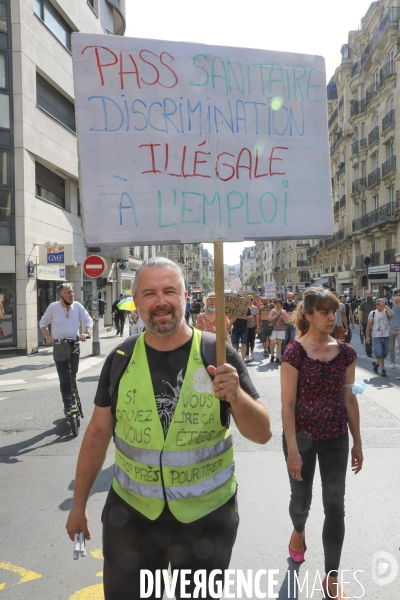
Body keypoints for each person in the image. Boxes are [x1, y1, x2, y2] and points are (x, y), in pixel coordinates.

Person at [66, 258, 272, 600]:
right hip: (131, 519)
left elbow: (262, 432)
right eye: (149, 293)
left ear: (184, 296)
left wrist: (236, 396)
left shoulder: (217, 352)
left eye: (169, 291)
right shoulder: (120, 357)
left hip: (206, 519)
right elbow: (98, 433)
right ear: (137, 303)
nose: (160, 301)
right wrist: (78, 505)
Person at [280, 287, 363, 600]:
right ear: (310, 315)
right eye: (325, 312)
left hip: (336, 439)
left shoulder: (345, 352)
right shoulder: (294, 352)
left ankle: (332, 576)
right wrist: (291, 450)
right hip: (300, 439)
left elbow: (350, 399)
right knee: (301, 502)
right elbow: (287, 405)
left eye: (334, 312)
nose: (332, 318)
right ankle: (299, 531)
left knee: (335, 506)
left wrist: (358, 442)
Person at [39, 283, 93, 415]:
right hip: (59, 346)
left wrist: (86, 333)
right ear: (60, 295)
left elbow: (88, 320)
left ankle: (73, 398)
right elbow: (43, 323)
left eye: (72, 292)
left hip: (74, 344)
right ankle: (68, 406)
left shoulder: (78, 306)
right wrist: (48, 337)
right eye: (68, 293)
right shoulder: (53, 307)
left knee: (72, 375)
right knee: (64, 378)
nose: (71, 295)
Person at [366, 298, 394, 377]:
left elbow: (392, 314)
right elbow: (368, 326)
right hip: (376, 337)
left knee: (384, 353)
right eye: (376, 304)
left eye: (378, 304)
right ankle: (383, 370)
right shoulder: (373, 313)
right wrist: (367, 337)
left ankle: (376, 363)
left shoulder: (386, 311)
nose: (377, 305)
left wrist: (385, 306)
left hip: (386, 336)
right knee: (379, 354)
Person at [231, 293, 252, 360]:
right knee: (234, 344)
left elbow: (251, 317)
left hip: (243, 328)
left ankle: (242, 359)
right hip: (234, 328)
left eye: (242, 299)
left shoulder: (247, 308)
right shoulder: (233, 308)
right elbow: (228, 316)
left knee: (244, 343)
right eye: (239, 299)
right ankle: (236, 358)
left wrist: (244, 316)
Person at [267, 299, 287, 365]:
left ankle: (277, 357)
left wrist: (284, 318)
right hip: (273, 329)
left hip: (281, 329)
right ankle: (272, 355)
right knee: (272, 342)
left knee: (279, 343)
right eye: (276, 303)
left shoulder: (284, 311)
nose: (277, 304)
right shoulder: (273, 311)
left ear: (281, 304)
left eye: (279, 303)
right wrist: (276, 315)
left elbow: (287, 321)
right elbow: (269, 319)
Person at [359, 291, 374, 356]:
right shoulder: (363, 304)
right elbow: (360, 313)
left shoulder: (375, 303)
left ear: (371, 294)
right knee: (367, 336)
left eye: (369, 294)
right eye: (367, 294)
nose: (368, 295)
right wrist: (360, 322)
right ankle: (369, 351)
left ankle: (369, 348)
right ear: (365, 295)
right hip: (365, 322)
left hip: (374, 322)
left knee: (373, 337)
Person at [245, 295, 259, 362]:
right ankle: (247, 354)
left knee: (252, 340)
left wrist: (257, 327)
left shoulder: (255, 308)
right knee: (246, 340)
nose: (250, 300)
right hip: (245, 326)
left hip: (253, 326)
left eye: (251, 299)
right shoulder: (244, 308)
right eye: (249, 299)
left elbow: (257, 318)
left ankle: (252, 350)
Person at [389, 288, 400, 368]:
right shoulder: (391, 303)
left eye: (399, 295)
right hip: (391, 327)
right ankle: (392, 362)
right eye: (396, 295)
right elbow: (388, 315)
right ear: (394, 296)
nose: (398, 297)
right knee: (391, 347)